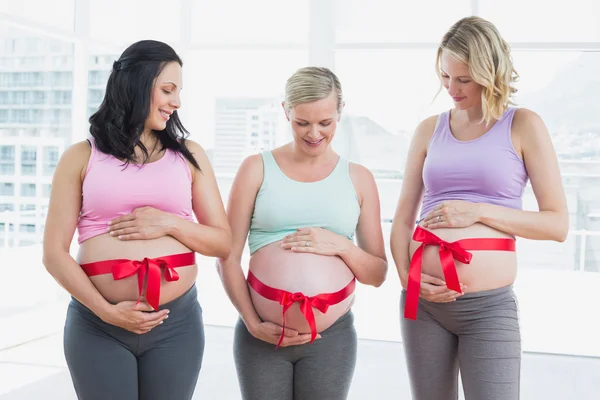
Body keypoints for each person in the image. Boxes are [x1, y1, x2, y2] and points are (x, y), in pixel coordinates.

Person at [390, 16, 569, 400]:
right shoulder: (428, 129)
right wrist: (410, 282)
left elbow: (556, 225)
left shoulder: (523, 125)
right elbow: (403, 217)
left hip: (489, 308)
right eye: (445, 76)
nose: (451, 89)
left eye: (463, 79)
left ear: (490, 72)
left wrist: (478, 212)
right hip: (423, 304)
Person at [42, 40, 231, 400]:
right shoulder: (81, 156)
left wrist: (170, 223)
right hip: (97, 325)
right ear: (136, 85)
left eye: (179, 91)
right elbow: (53, 252)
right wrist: (106, 311)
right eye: (167, 89)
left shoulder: (190, 156)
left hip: (175, 325)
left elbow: (223, 242)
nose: (176, 102)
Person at [217, 66, 387, 400]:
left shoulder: (359, 178)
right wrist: (252, 322)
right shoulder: (256, 168)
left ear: (340, 113)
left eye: (325, 123)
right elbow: (227, 257)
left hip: (331, 339)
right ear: (286, 112)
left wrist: (342, 246)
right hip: (261, 335)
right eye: (302, 122)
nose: (314, 133)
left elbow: (378, 273)